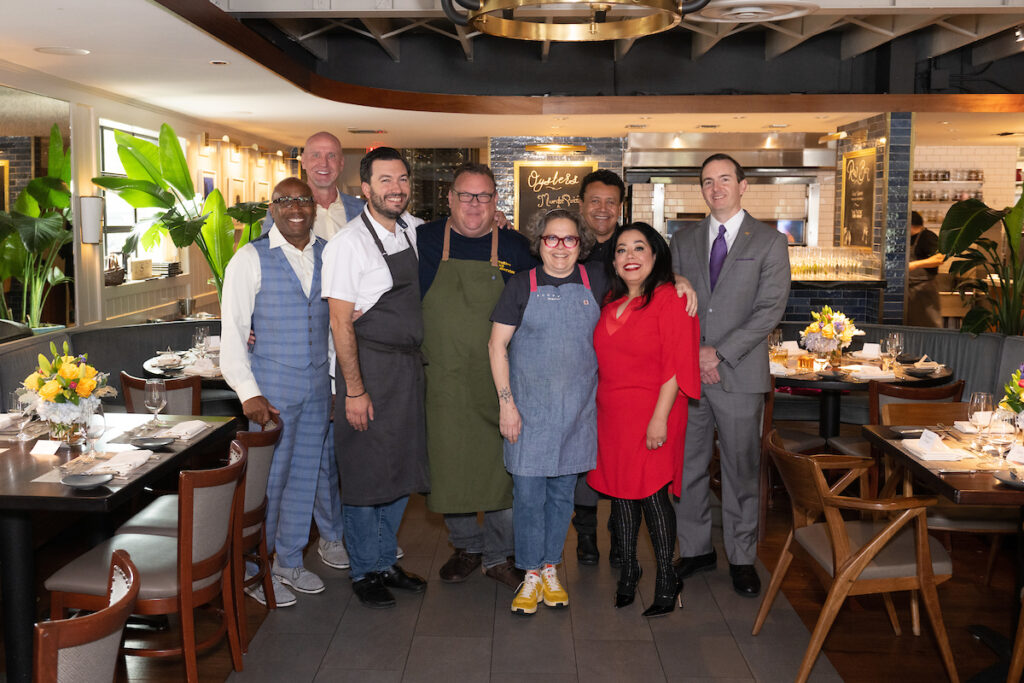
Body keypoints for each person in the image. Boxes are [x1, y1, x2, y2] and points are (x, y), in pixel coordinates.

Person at [221, 177, 346, 607]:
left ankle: (289, 561)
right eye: (286, 200)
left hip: (315, 388)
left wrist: (332, 384)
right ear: (271, 208)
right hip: (270, 391)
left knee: (304, 477)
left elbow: (333, 329)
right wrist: (248, 393)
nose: (296, 207)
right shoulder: (249, 259)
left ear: (315, 207)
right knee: (267, 483)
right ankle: (254, 570)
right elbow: (233, 333)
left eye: (303, 200)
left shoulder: (330, 255)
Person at [670, 153, 790, 598]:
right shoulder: (682, 240)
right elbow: (672, 300)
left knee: (741, 469)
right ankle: (697, 549)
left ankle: (742, 557)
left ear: (743, 186)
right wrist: (694, 354)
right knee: (690, 466)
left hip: (739, 374)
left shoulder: (770, 242)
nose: (715, 187)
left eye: (724, 179)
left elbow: (769, 311)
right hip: (689, 376)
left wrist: (717, 353)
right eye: (707, 181)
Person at [418, 163, 536, 589]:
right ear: (449, 199)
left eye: (484, 196)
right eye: (465, 196)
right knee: (451, 467)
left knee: (501, 472)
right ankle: (466, 545)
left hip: (501, 381)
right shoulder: (423, 241)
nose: (474, 205)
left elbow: (548, 292)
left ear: (496, 202)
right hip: (445, 382)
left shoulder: (517, 247)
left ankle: (497, 555)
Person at [573, 169, 699, 567]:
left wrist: (676, 279)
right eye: (595, 200)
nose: (603, 208)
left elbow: (650, 282)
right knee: (600, 471)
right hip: (593, 387)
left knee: (639, 484)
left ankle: (634, 559)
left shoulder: (636, 263)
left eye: (611, 201)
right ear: (581, 204)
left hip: (641, 395)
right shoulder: (568, 244)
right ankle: (590, 539)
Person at [322, 147, 430, 609]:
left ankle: (386, 560)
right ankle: (365, 569)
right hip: (367, 370)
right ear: (364, 188)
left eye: (402, 179)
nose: (396, 188)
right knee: (366, 476)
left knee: (398, 470)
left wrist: (498, 222)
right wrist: (355, 390)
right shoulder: (349, 244)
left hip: (406, 370)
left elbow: (464, 235)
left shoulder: (414, 229)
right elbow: (341, 323)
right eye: (385, 180)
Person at [488, 209, 607, 615]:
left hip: (577, 413)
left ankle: (551, 567)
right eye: (551, 239)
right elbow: (496, 346)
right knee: (528, 497)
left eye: (569, 239)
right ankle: (530, 574)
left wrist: (678, 280)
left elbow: (645, 283)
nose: (560, 247)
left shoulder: (597, 281)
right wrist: (507, 405)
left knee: (561, 497)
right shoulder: (521, 285)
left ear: (581, 245)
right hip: (528, 413)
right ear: (539, 244)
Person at [588, 222, 700, 618]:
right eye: (621, 250)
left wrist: (659, 420)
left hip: (656, 410)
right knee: (621, 494)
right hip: (613, 414)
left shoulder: (671, 299)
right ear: (614, 261)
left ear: (655, 256)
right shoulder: (609, 301)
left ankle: (668, 578)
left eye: (639, 248)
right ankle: (630, 570)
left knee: (653, 494)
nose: (630, 256)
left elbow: (674, 365)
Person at [907, 210, 943, 327]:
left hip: (924, 290)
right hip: (909, 290)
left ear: (910, 225)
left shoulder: (927, 237)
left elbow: (939, 258)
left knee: (929, 324)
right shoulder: (908, 238)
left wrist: (915, 264)